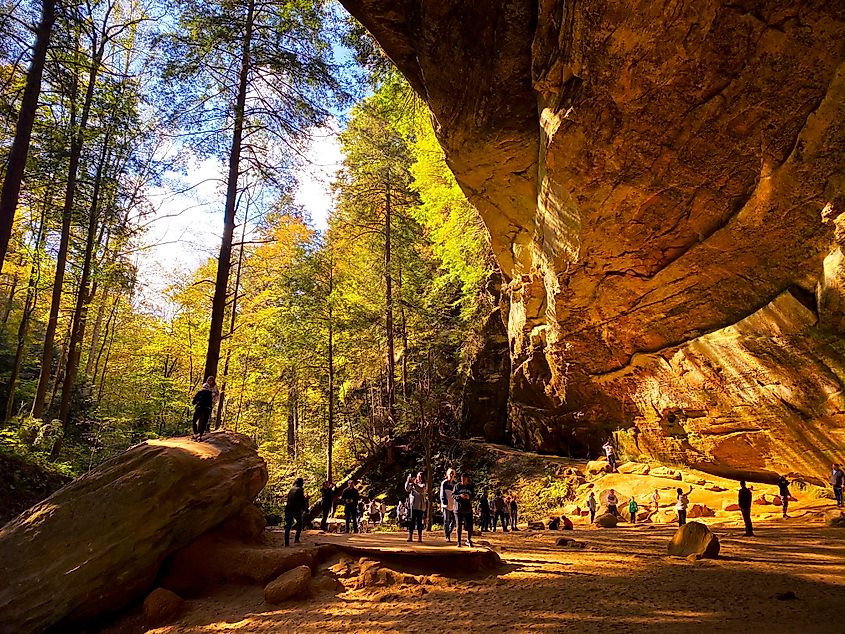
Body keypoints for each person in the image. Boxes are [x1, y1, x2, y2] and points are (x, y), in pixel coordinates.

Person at [284, 477, 308, 547]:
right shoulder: (300, 490)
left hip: (288, 509)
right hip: (296, 510)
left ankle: (286, 543)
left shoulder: (291, 489)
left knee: (288, 525)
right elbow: (302, 501)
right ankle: (296, 539)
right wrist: (306, 509)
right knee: (300, 523)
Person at [453, 473, 475, 547]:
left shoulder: (470, 487)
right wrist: (459, 496)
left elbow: (474, 495)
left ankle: (469, 540)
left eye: (464, 479)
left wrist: (469, 497)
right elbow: (453, 495)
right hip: (458, 509)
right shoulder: (457, 486)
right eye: (462, 479)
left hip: (468, 509)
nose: (463, 481)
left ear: (467, 479)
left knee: (469, 525)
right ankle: (458, 541)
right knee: (459, 526)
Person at [405, 471, 427, 542]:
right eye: (418, 476)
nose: (419, 478)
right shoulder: (413, 484)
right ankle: (410, 536)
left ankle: (419, 537)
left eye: (421, 477)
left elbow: (420, 490)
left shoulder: (424, 484)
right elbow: (407, 488)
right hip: (413, 505)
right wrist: (408, 480)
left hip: (420, 506)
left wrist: (414, 484)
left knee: (419, 522)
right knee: (411, 521)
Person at [440, 468, 457, 542]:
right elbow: (442, 493)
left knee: (454, 520)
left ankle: (449, 532)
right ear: (447, 474)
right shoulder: (444, 483)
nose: (451, 475)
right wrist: (444, 501)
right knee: (446, 520)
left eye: (453, 474)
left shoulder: (455, 484)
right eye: (450, 473)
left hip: (453, 505)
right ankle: (447, 536)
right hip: (446, 505)